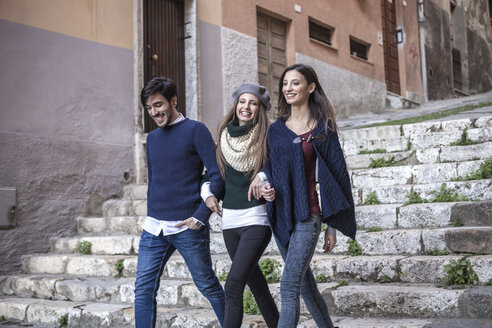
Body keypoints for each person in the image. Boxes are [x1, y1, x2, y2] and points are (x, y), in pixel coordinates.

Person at [249, 64, 357, 328]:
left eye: (295, 83)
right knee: (306, 289)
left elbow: (337, 178)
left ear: (310, 87)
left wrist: (332, 227)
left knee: (288, 287)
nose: (288, 88)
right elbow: (270, 168)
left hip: (309, 218)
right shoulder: (276, 130)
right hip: (281, 217)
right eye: (285, 83)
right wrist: (265, 184)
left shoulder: (323, 128)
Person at [134, 77, 225, 328]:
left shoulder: (196, 130)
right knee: (143, 290)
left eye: (158, 105)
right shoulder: (152, 139)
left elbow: (218, 174)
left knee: (207, 284)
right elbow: (157, 181)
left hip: (187, 226)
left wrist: (200, 216)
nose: (154, 112)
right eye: (149, 108)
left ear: (173, 101)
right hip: (154, 228)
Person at [202, 83, 279, 328]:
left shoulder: (268, 137)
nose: (246, 107)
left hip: (256, 219)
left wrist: (263, 176)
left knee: (234, 285)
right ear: (236, 105)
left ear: (260, 108)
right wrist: (208, 194)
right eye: (242, 101)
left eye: (253, 103)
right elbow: (212, 176)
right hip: (230, 221)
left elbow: (279, 166)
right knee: (256, 284)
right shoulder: (224, 138)